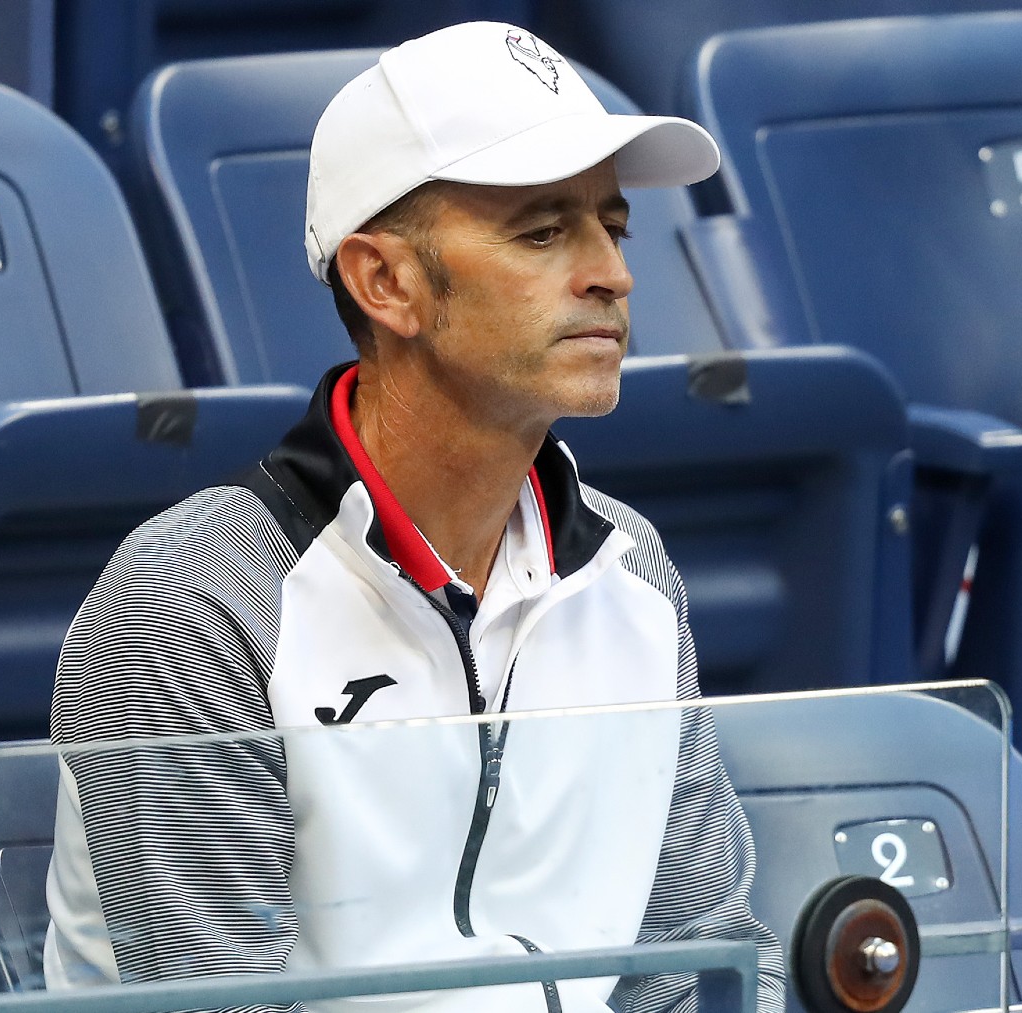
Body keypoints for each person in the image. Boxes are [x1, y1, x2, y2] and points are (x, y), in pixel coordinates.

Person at [43, 21, 785, 1013]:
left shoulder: (634, 572)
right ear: (384, 280)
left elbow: (702, 970)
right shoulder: (195, 599)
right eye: (542, 230)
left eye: (614, 225)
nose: (613, 271)